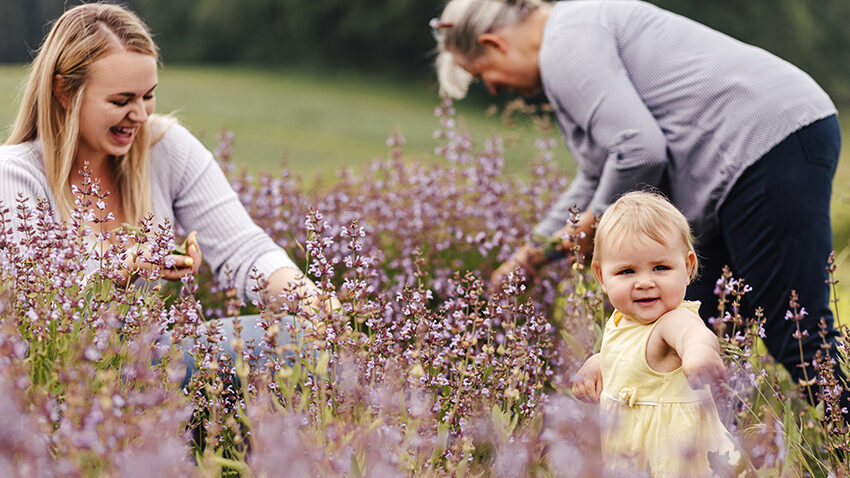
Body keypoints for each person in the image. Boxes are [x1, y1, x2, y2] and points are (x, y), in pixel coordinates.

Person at [431, 0, 843, 406]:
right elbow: (598, 175)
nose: (494, 89)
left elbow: (639, 151)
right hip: (756, 153)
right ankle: (704, 461)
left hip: (768, 141)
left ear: (494, 43)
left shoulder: (565, 42)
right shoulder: (572, 38)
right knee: (685, 328)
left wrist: (592, 227)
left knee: (798, 335)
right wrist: (531, 253)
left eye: (481, 73)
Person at [0, 4, 330, 358]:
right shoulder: (15, 175)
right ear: (64, 92)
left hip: (147, 360)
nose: (140, 115)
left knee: (303, 335)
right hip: (60, 374)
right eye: (121, 100)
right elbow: (33, 319)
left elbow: (245, 251)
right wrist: (120, 271)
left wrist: (322, 311)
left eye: (148, 95)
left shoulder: (165, 147)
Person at [571, 191, 740, 476]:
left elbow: (691, 334)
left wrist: (698, 353)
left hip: (676, 458)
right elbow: (626, 355)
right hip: (629, 454)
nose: (645, 282)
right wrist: (597, 364)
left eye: (661, 267)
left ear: (687, 268)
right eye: (627, 271)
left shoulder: (672, 321)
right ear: (601, 277)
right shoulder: (622, 320)